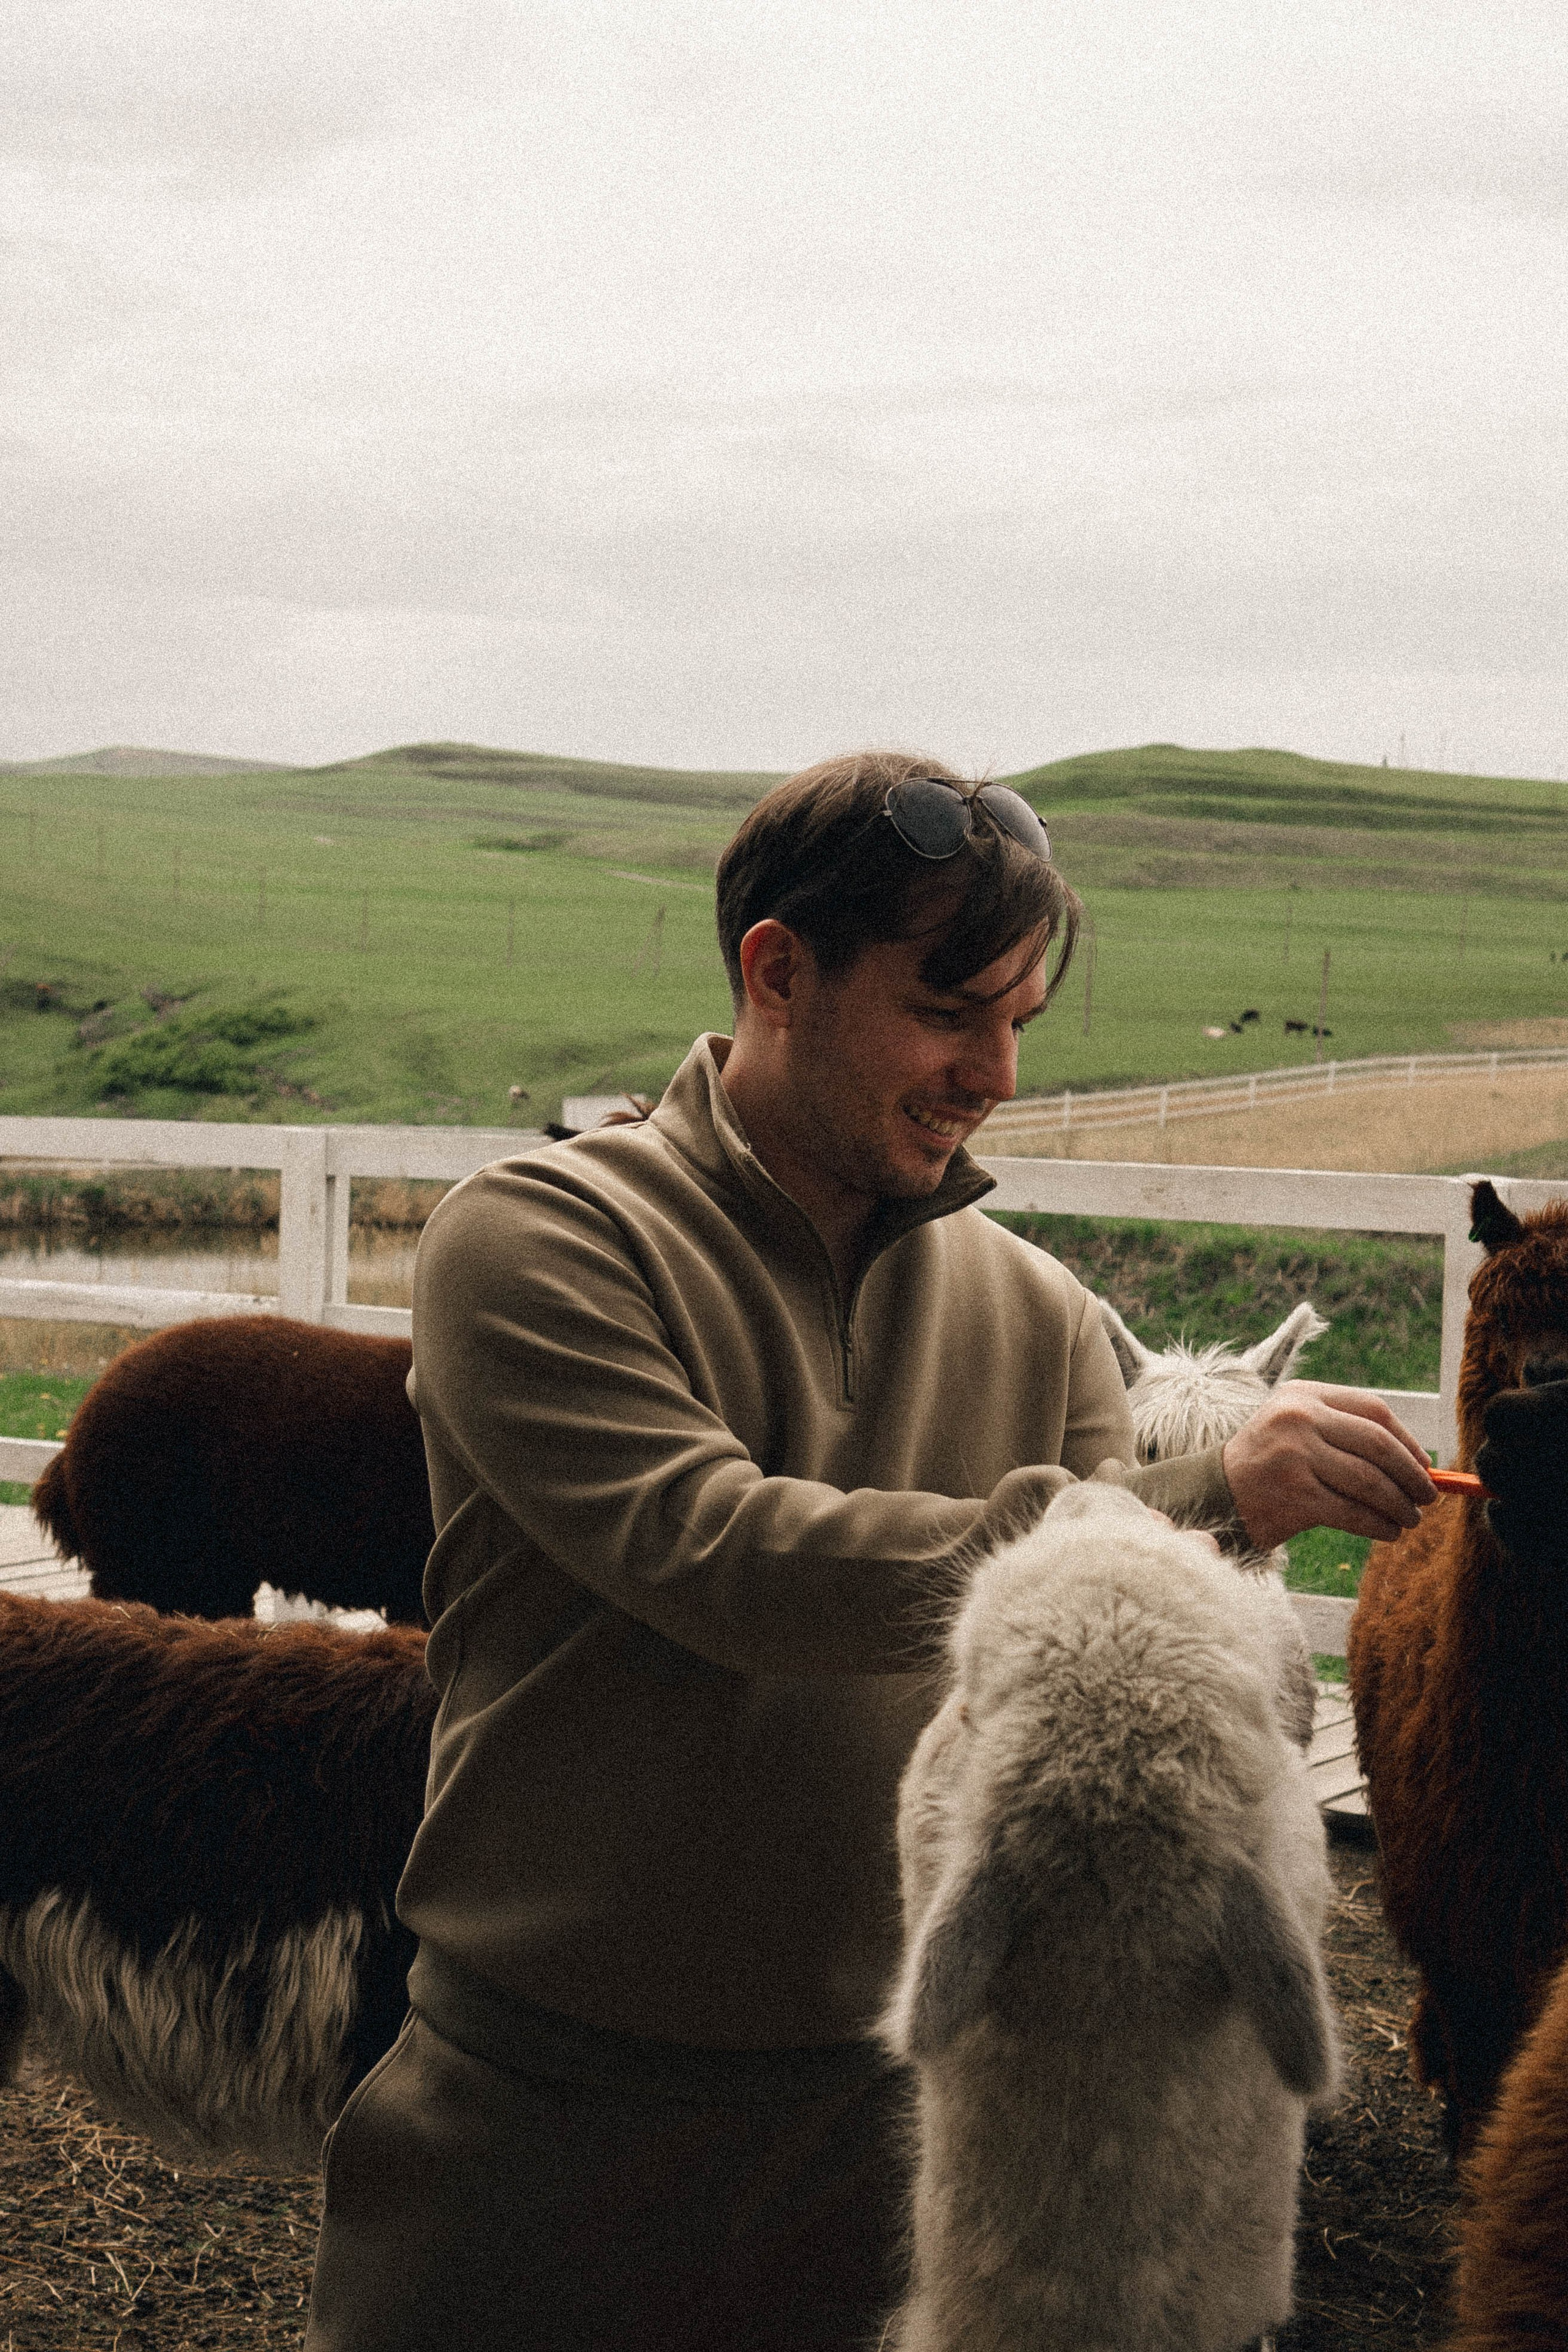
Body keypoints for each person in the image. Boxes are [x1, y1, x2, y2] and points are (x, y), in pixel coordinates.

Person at [304, 749, 1436, 2352]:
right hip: (543, 2127)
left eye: (1020, 1023)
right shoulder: (539, 1237)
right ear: (779, 972)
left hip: (899, 2135)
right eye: (950, 1009)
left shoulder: (1042, 1316)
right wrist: (1205, 1498)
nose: (998, 1073)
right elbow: (718, 1555)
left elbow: (1104, 1663)